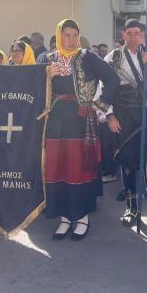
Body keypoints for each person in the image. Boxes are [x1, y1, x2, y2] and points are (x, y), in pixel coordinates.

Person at [43, 19, 118, 241]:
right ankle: (65, 217)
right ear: (59, 36)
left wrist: (99, 105)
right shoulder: (47, 60)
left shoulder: (87, 57)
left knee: (78, 167)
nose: (71, 39)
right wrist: (46, 76)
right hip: (55, 120)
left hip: (80, 119)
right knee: (57, 167)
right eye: (66, 35)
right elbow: (34, 88)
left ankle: (82, 216)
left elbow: (112, 79)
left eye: (75, 35)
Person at [104, 19, 147, 226]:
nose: (133, 37)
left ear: (142, 35)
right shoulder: (113, 57)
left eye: (137, 33)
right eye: (129, 33)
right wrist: (109, 115)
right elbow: (103, 87)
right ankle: (131, 207)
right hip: (123, 115)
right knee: (127, 161)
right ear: (123, 35)